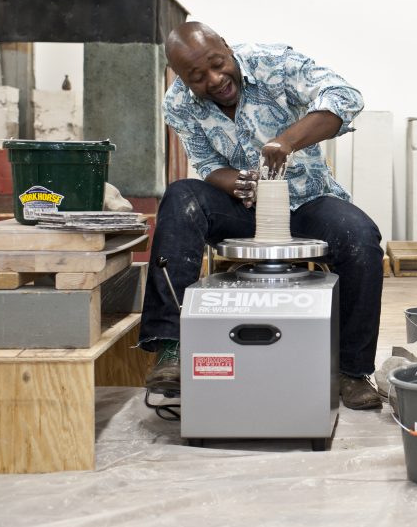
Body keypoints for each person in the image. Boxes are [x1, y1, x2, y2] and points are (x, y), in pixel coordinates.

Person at [140, 21, 384, 410]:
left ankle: (352, 371)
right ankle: (170, 348)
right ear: (182, 78)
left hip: (308, 200)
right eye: (198, 77)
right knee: (182, 196)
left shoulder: (274, 64)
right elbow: (206, 165)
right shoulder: (179, 103)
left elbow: (345, 96)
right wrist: (235, 183)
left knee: (360, 236)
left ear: (226, 46)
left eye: (218, 63)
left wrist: (286, 141)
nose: (216, 80)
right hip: (246, 208)